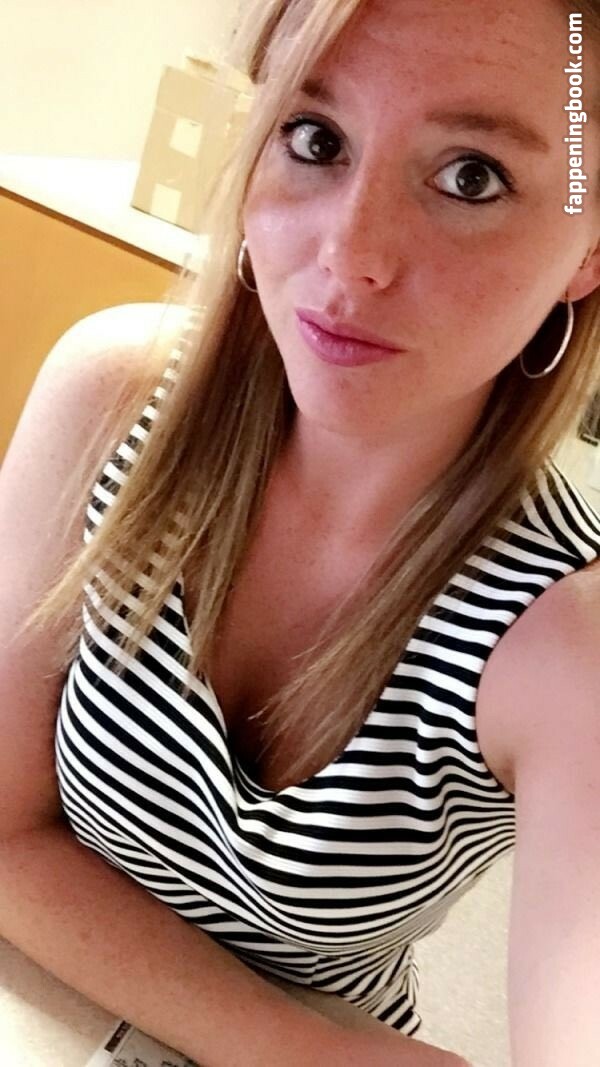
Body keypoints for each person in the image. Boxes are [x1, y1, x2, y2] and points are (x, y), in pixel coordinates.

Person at [1, 0, 600, 1064]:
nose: (351, 253)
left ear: (589, 247)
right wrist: (303, 1050)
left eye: (471, 176)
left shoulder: (564, 635)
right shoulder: (114, 407)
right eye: (315, 138)